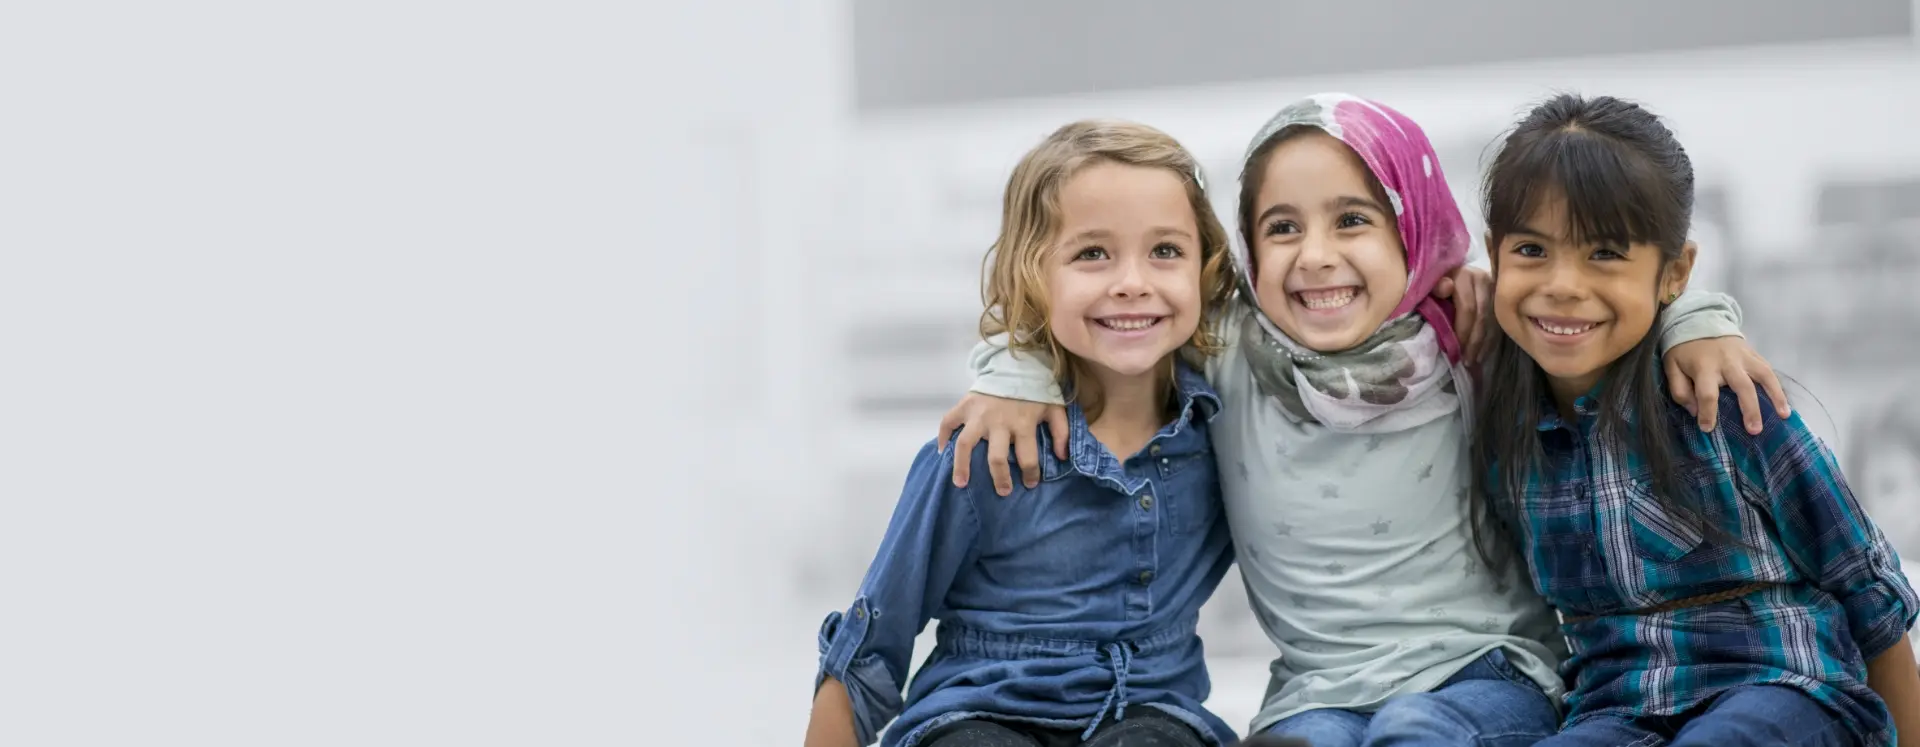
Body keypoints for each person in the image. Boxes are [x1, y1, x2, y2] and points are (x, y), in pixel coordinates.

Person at [933, 93, 1789, 746]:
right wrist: (1011, 369)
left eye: (1353, 220)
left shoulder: (1471, 336)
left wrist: (1698, 318)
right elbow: (1113, 321)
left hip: (1486, 668)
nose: (1317, 256)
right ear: (1247, 250)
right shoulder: (1226, 350)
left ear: (1413, 235)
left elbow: (1596, 308)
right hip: (1316, 690)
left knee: (1415, 734)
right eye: (1281, 228)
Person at [1468, 92, 1920, 746]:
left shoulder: (1727, 402)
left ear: (1675, 272)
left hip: (1782, 688)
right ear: (1495, 254)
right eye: (1533, 250)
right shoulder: (1505, 434)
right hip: (1616, 709)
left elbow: (1871, 593)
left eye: (1603, 253)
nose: (1562, 283)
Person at [804, 120, 1249, 747]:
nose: (1132, 281)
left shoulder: (1227, 431)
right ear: (1032, 275)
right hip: (981, 707)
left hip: (1151, 713)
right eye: (1092, 253)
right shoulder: (983, 447)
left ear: (1206, 267)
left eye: (1166, 251)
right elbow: (880, 628)